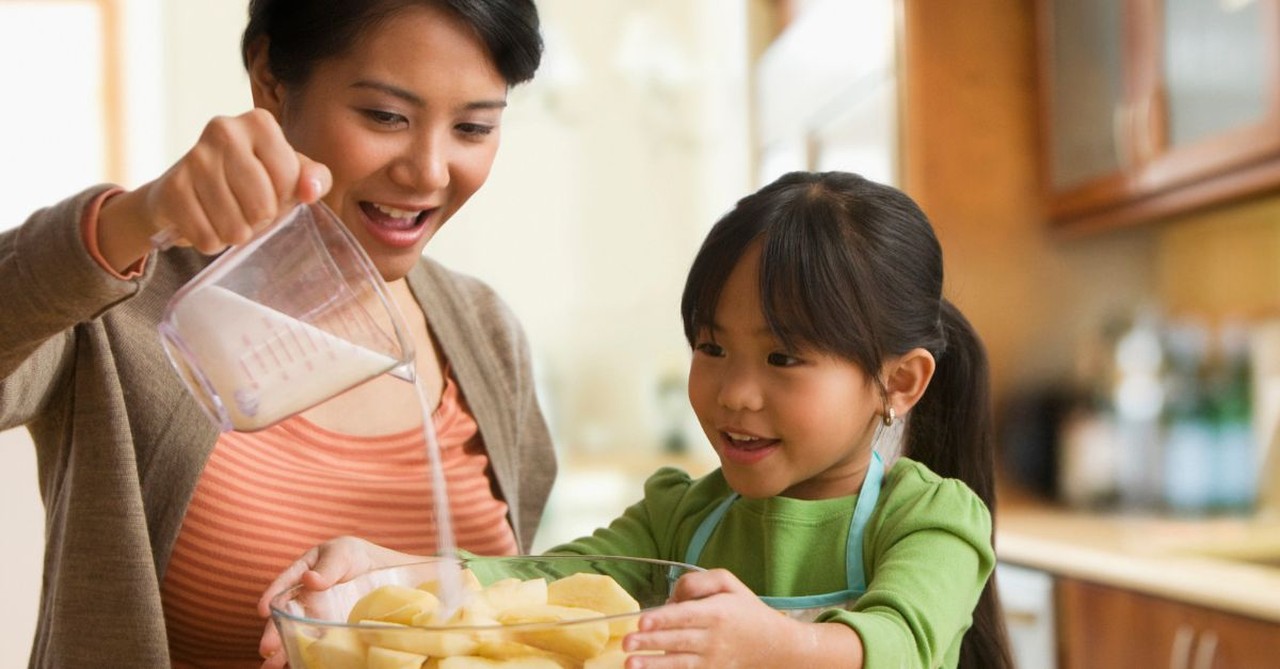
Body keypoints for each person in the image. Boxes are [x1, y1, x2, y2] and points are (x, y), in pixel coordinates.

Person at [260, 171, 1015, 668]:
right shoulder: (680, 518)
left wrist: (777, 645)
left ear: (900, 380)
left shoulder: (929, 521)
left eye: (783, 359)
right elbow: (541, 580)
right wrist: (387, 571)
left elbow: (905, 642)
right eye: (712, 347)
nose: (734, 393)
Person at [0, 1, 557, 666]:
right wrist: (132, 219)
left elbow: (515, 610)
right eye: (386, 116)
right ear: (269, 78)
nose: (430, 171)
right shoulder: (123, 309)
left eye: (472, 127)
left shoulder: (487, 333)